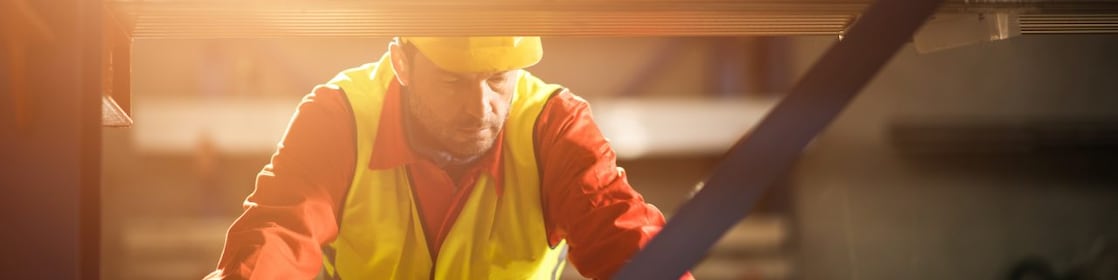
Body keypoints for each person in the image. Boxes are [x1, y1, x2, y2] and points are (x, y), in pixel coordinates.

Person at [205, 37, 691, 279]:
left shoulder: (553, 126)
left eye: (499, 78)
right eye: (454, 81)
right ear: (403, 64)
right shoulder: (341, 117)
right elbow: (276, 240)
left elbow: (624, 234)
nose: (480, 107)